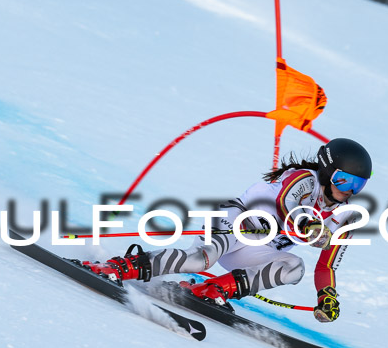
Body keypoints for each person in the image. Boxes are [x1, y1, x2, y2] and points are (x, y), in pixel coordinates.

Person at [87, 138, 372, 323]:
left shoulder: (345, 218)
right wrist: (308, 225)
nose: (348, 191)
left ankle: (212, 290)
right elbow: (287, 202)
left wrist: (327, 295)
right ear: (326, 170)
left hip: (257, 249)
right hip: (235, 223)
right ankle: (120, 267)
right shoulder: (304, 180)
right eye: (344, 180)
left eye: (357, 186)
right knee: (201, 259)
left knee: (293, 267)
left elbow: (326, 266)